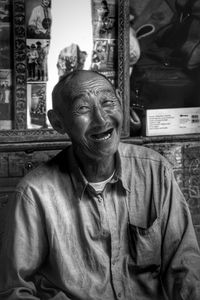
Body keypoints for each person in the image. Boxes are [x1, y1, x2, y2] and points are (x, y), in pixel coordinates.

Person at [0, 70, 200, 300]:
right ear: (58, 122)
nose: (102, 119)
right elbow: (15, 290)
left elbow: (185, 269)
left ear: (120, 102)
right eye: (83, 108)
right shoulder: (35, 194)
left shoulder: (155, 171)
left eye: (107, 102)